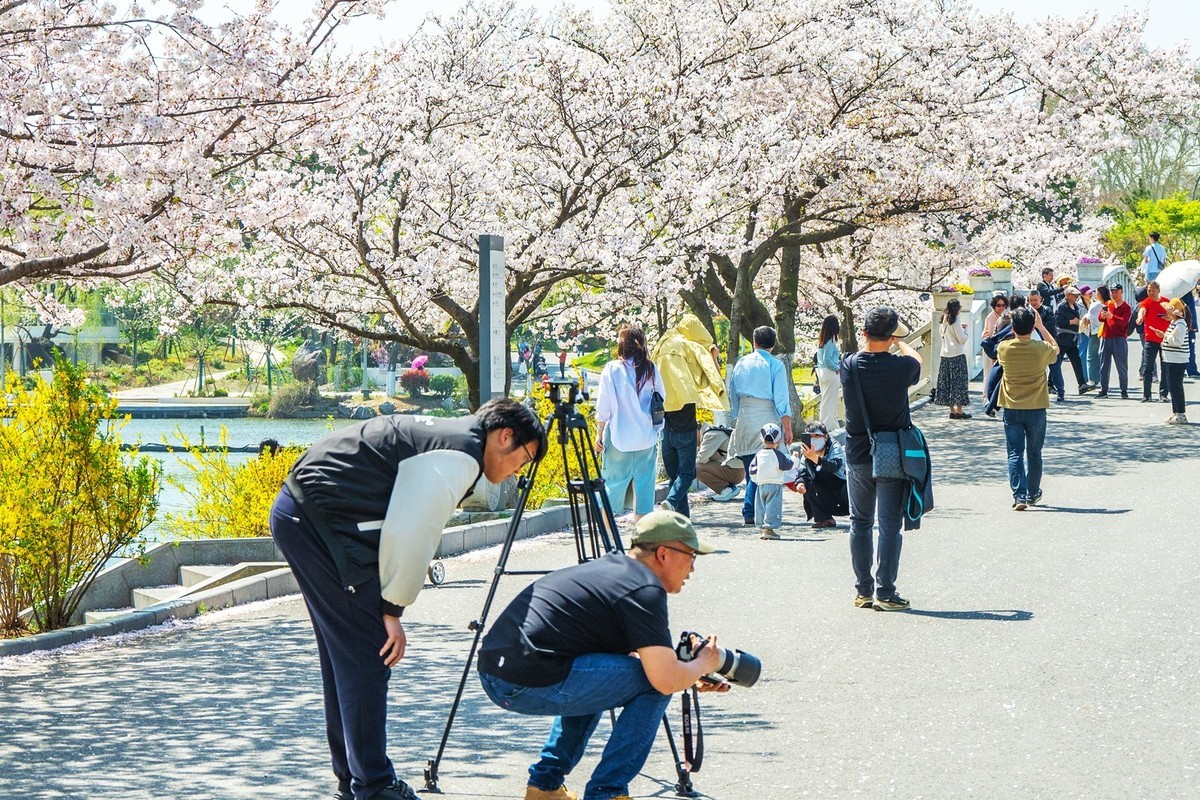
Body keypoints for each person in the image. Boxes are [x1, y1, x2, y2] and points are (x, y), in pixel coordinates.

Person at [269, 399, 547, 800]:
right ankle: (374, 786)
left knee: (345, 655)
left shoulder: (453, 436)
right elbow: (413, 531)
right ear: (506, 437)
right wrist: (392, 611)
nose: (516, 473)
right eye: (524, 460)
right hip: (319, 521)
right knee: (368, 654)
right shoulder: (461, 454)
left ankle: (355, 779)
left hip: (304, 512)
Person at [477, 510, 727, 800]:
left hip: (497, 672)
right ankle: (607, 793)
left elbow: (623, 666)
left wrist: (690, 673)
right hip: (522, 680)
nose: (692, 569)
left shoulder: (613, 571)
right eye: (692, 556)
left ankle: (544, 788)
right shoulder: (645, 589)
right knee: (654, 686)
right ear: (663, 554)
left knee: (606, 678)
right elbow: (664, 679)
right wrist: (703, 663)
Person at [839, 306, 922, 612]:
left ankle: (863, 591)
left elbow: (859, 355)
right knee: (889, 525)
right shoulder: (901, 367)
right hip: (891, 453)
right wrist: (901, 343)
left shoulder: (848, 364)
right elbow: (918, 361)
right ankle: (885, 592)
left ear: (864, 332)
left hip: (858, 452)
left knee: (860, 522)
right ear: (892, 335)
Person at [651, 314, 728, 517]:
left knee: (674, 476)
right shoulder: (690, 346)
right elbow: (710, 373)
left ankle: (681, 518)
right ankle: (671, 501)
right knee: (687, 474)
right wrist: (714, 357)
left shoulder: (662, 344)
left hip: (665, 421)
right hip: (685, 420)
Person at [596, 326, 665, 521]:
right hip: (646, 437)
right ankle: (643, 533)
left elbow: (604, 406)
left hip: (619, 436)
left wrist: (599, 434)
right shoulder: (651, 368)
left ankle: (608, 533)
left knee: (612, 485)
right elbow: (661, 398)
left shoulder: (612, 369)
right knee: (644, 488)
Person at [729, 326, 793, 527]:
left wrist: (737, 416)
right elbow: (781, 400)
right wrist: (787, 427)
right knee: (766, 471)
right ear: (773, 344)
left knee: (752, 469)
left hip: (745, 418)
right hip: (767, 418)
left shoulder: (741, 363)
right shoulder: (775, 365)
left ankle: (751, 511)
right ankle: (753, 511)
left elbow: (733, 394)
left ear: (754, 342)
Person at [997, 308, 1058, 510]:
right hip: (1036, 406)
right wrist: (1041, 326)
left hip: (1012, 406)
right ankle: (1033, 492)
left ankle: (1019, 496)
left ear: (1013, 328)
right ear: (1032, 328)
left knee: (1015, 453)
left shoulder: (1004, 348)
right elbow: (1055, 348)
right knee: (1034, 453)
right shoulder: (1041, 348)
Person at [791, 421, 848, 529]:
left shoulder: (834, 447)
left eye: (817, 435)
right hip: (825, 496)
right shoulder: (806, 453)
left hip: (842, 493)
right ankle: (825, 519)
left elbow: (834, 466)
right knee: (808, 483)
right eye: (810, 436)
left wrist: (815, 458)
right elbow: (802, 472)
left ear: (825, 436)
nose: (813, 439)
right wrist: (800, 483)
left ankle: (859, 518)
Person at [750, 422, 796, 540]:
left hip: (761, 484)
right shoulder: (778, 455)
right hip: (775, 484)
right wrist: (794, 458)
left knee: (760, 506)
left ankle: (761, 526)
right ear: (778, 440)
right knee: (773, 506)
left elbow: (752, 470)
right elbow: (788, 465)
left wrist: (757, 480)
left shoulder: (759, 454)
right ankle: (769, 528)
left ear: (761, 439)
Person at [934, 297, 971, 418]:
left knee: (947, 382)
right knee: (959, 382)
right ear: (957, 309)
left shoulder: (943, 320)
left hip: (945, 355)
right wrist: (966, 330)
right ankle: (959, 410)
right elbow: (962, 339)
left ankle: (952, 410)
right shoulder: (955, 321)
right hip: (957, 354)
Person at [1135, 281, 1170, 403]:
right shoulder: (1146, 302)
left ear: (1158, 291)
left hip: (1165, 339)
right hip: (1150, 340)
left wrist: (1169, 317)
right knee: (1147, 367)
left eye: (1153, 290)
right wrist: (1140, 317)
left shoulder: (1165, 302)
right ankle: (1147, 394)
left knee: (1165, 367)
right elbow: (1142, 310)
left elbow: (1174, 314)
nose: (1150, 293)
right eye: (1149, 290)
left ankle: (1163, 394)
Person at [1053, 285, 1090, 396]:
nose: (1076, 297)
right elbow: (1058, 322)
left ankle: (1082, 384)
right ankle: (1050, 383)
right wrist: (1071, 322)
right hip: (1063, 338)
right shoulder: (1062, 307)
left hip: (1072, 339)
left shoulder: (1076, 307)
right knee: (1057, 362)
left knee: (1076, 361)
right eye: (1074, 295)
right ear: (1068, 295)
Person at [1098, 283, 1132, 399]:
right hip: (1106, 337)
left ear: (1121, 292)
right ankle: (1103, 389)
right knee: (1104, 365)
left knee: (1121, 366)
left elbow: (1123, 322)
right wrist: (1103, 315)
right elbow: (1100, 318)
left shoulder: (1126, 307)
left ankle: (1124, 390)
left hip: (1119, 339)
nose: (1114, 294)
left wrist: (1111, 316)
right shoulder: (1108, 304)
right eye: (1112, 292)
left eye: (1116, 292)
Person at [1028, 290, 1063, 401]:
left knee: (1055, 368)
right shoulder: (1027, 312)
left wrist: (1039, 325)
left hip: (1048, 342)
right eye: (1031, 300)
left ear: (1041, 299)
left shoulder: (1047, 310)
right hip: (1034, 345)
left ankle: (1060, 391)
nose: (1033, 302)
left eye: (1035, 300)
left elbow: (1051, 324)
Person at [695, 424, 744, 502]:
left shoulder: (711, 434)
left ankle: (727, 489)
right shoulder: (712, 430)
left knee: (694, 469)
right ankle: (725, 489)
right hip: (736, 469)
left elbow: (701, 459)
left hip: (735, 472)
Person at [1161, 298, 1190, 424]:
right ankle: (1176, 412)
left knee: (1176, 386)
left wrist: (1164, 336)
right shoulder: (1174, 323)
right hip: (1171, 358)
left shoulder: (1180, 324)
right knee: (1172, 386)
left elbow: (1177, 342)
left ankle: (1181, 413)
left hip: (1177, 360)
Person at [815, 315, 843, 430]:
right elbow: (827, 360)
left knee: (827, 401)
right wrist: (837, 368)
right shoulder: (830, 342)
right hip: (830, 373)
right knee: (830, 403)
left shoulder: (823, 342)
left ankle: (834, 427)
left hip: (822, 373)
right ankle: (827, 428)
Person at [982, 293, 1009, 397]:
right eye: (998, 305)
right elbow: (992, 334)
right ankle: (986, 397)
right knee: (988, 372)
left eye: (1003, 305)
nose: (1001, 307)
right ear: (994, 306)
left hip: (996, 346)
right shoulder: (992, 317)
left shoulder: (1002, 316)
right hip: (990, 347)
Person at [1078, 286, 1100, 389]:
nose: (1091, 295)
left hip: (1094, 331)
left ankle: (1095, 378)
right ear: (1082, 295)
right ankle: (1085, 378)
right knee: (1083, 354)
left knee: (1094, 355)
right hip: (1084, 331)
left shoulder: (1095, 303)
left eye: (1091, 293)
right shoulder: (1079, 305)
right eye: (1088, 293)